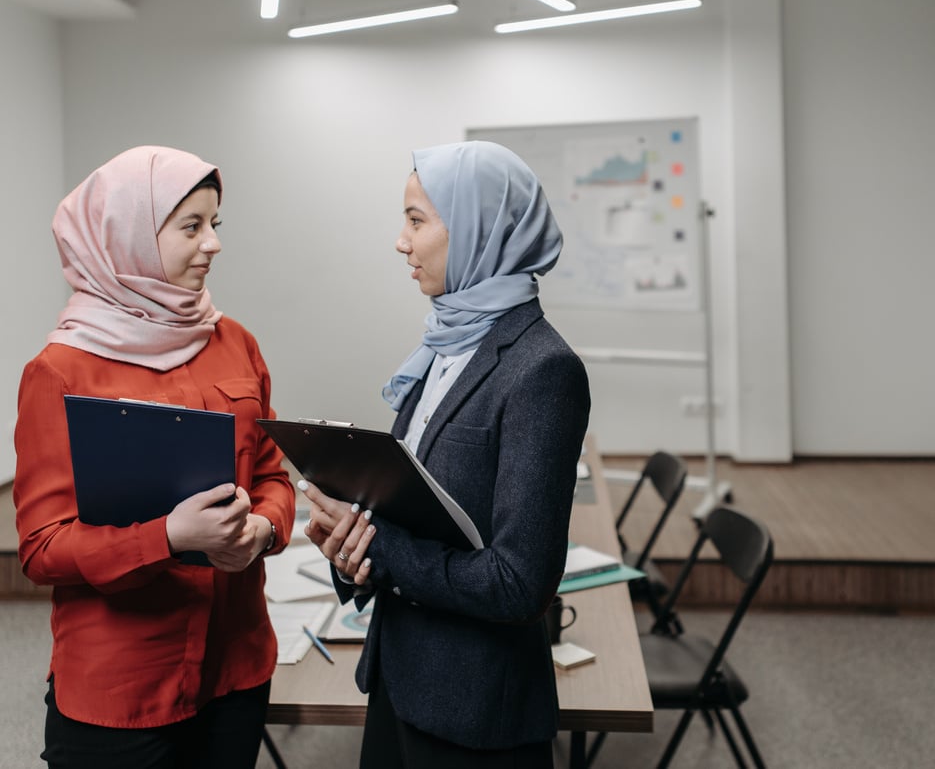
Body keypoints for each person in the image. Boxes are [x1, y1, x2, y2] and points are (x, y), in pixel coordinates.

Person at [300, 140, 590, 768]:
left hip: (474, 712)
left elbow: (519, 585)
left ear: (481, 229)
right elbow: (416, 515)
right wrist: (353, 548)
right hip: (400, 681)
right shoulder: (446, 340)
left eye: (416, 220)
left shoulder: (543, 370)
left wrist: (382, 547)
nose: (401, 242)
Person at [14, 145, 296, 768]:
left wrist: (263, 530)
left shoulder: (235, 341)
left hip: (236, 667)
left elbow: (274, 475)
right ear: (128, 238)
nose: (213, 244)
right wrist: (167, 537)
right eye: (190, 226)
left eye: (215, 224)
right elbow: (41, 548)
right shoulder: (62, 370)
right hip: (121, 686)